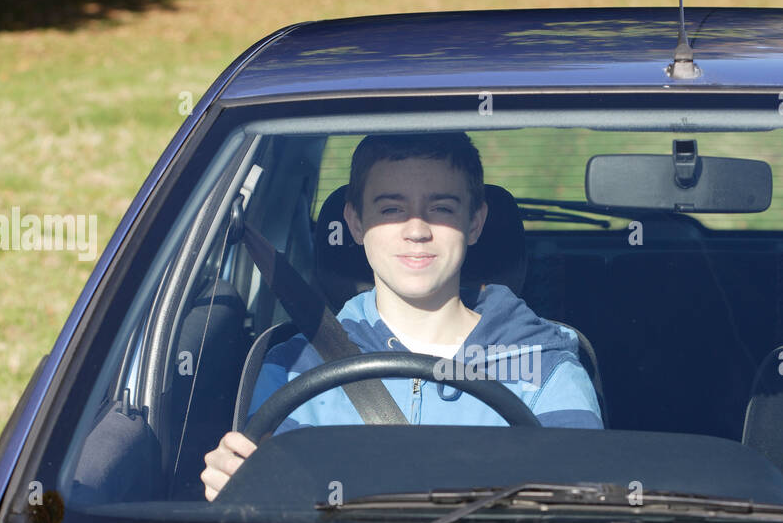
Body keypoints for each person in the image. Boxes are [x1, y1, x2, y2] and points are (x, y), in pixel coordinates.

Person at [201, 131, 602, 501]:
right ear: (356, 223)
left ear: (475, 223)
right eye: (391, 209)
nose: (417, 230)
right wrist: (237, 486)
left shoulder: (544, 368)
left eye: (441, 208)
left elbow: (580, 509)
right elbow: (273, 510)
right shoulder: (292, 367)